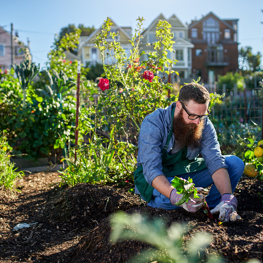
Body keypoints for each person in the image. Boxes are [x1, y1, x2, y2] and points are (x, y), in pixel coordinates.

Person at [134, 83, 244, 222]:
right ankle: (156, 205)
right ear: (179, 106)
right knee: (170, 200)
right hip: (157, 178)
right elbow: (151, 170)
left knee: (235, 164)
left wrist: (227, 197)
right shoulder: (154, 123)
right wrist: (175, 195)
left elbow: (215, 160)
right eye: (192, 116)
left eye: (202, 116)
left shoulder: (203, 123)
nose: (198, 122)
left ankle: (214, 208)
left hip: (185, 173)